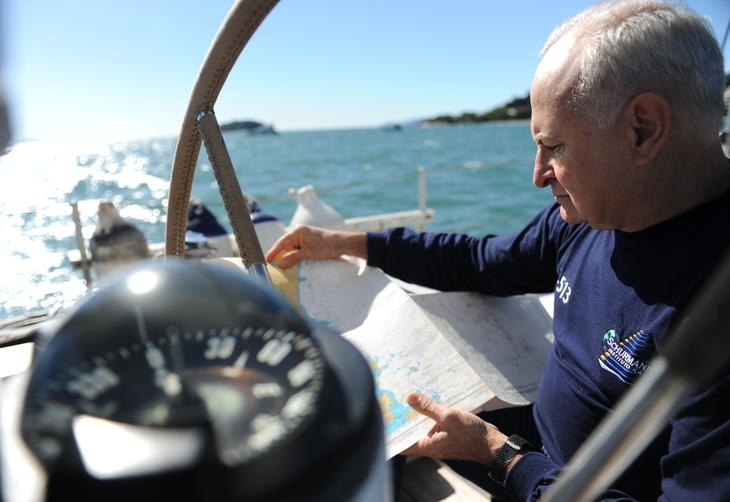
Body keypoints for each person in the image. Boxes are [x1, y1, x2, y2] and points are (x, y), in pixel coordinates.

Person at [266, 0, 730, 499]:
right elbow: (480, 262)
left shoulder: (713, 313)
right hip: (534, 452)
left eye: (554, 146)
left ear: (643, 130)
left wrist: (500, 454)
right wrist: (349, 243)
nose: (538, 175)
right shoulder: (590, 217)